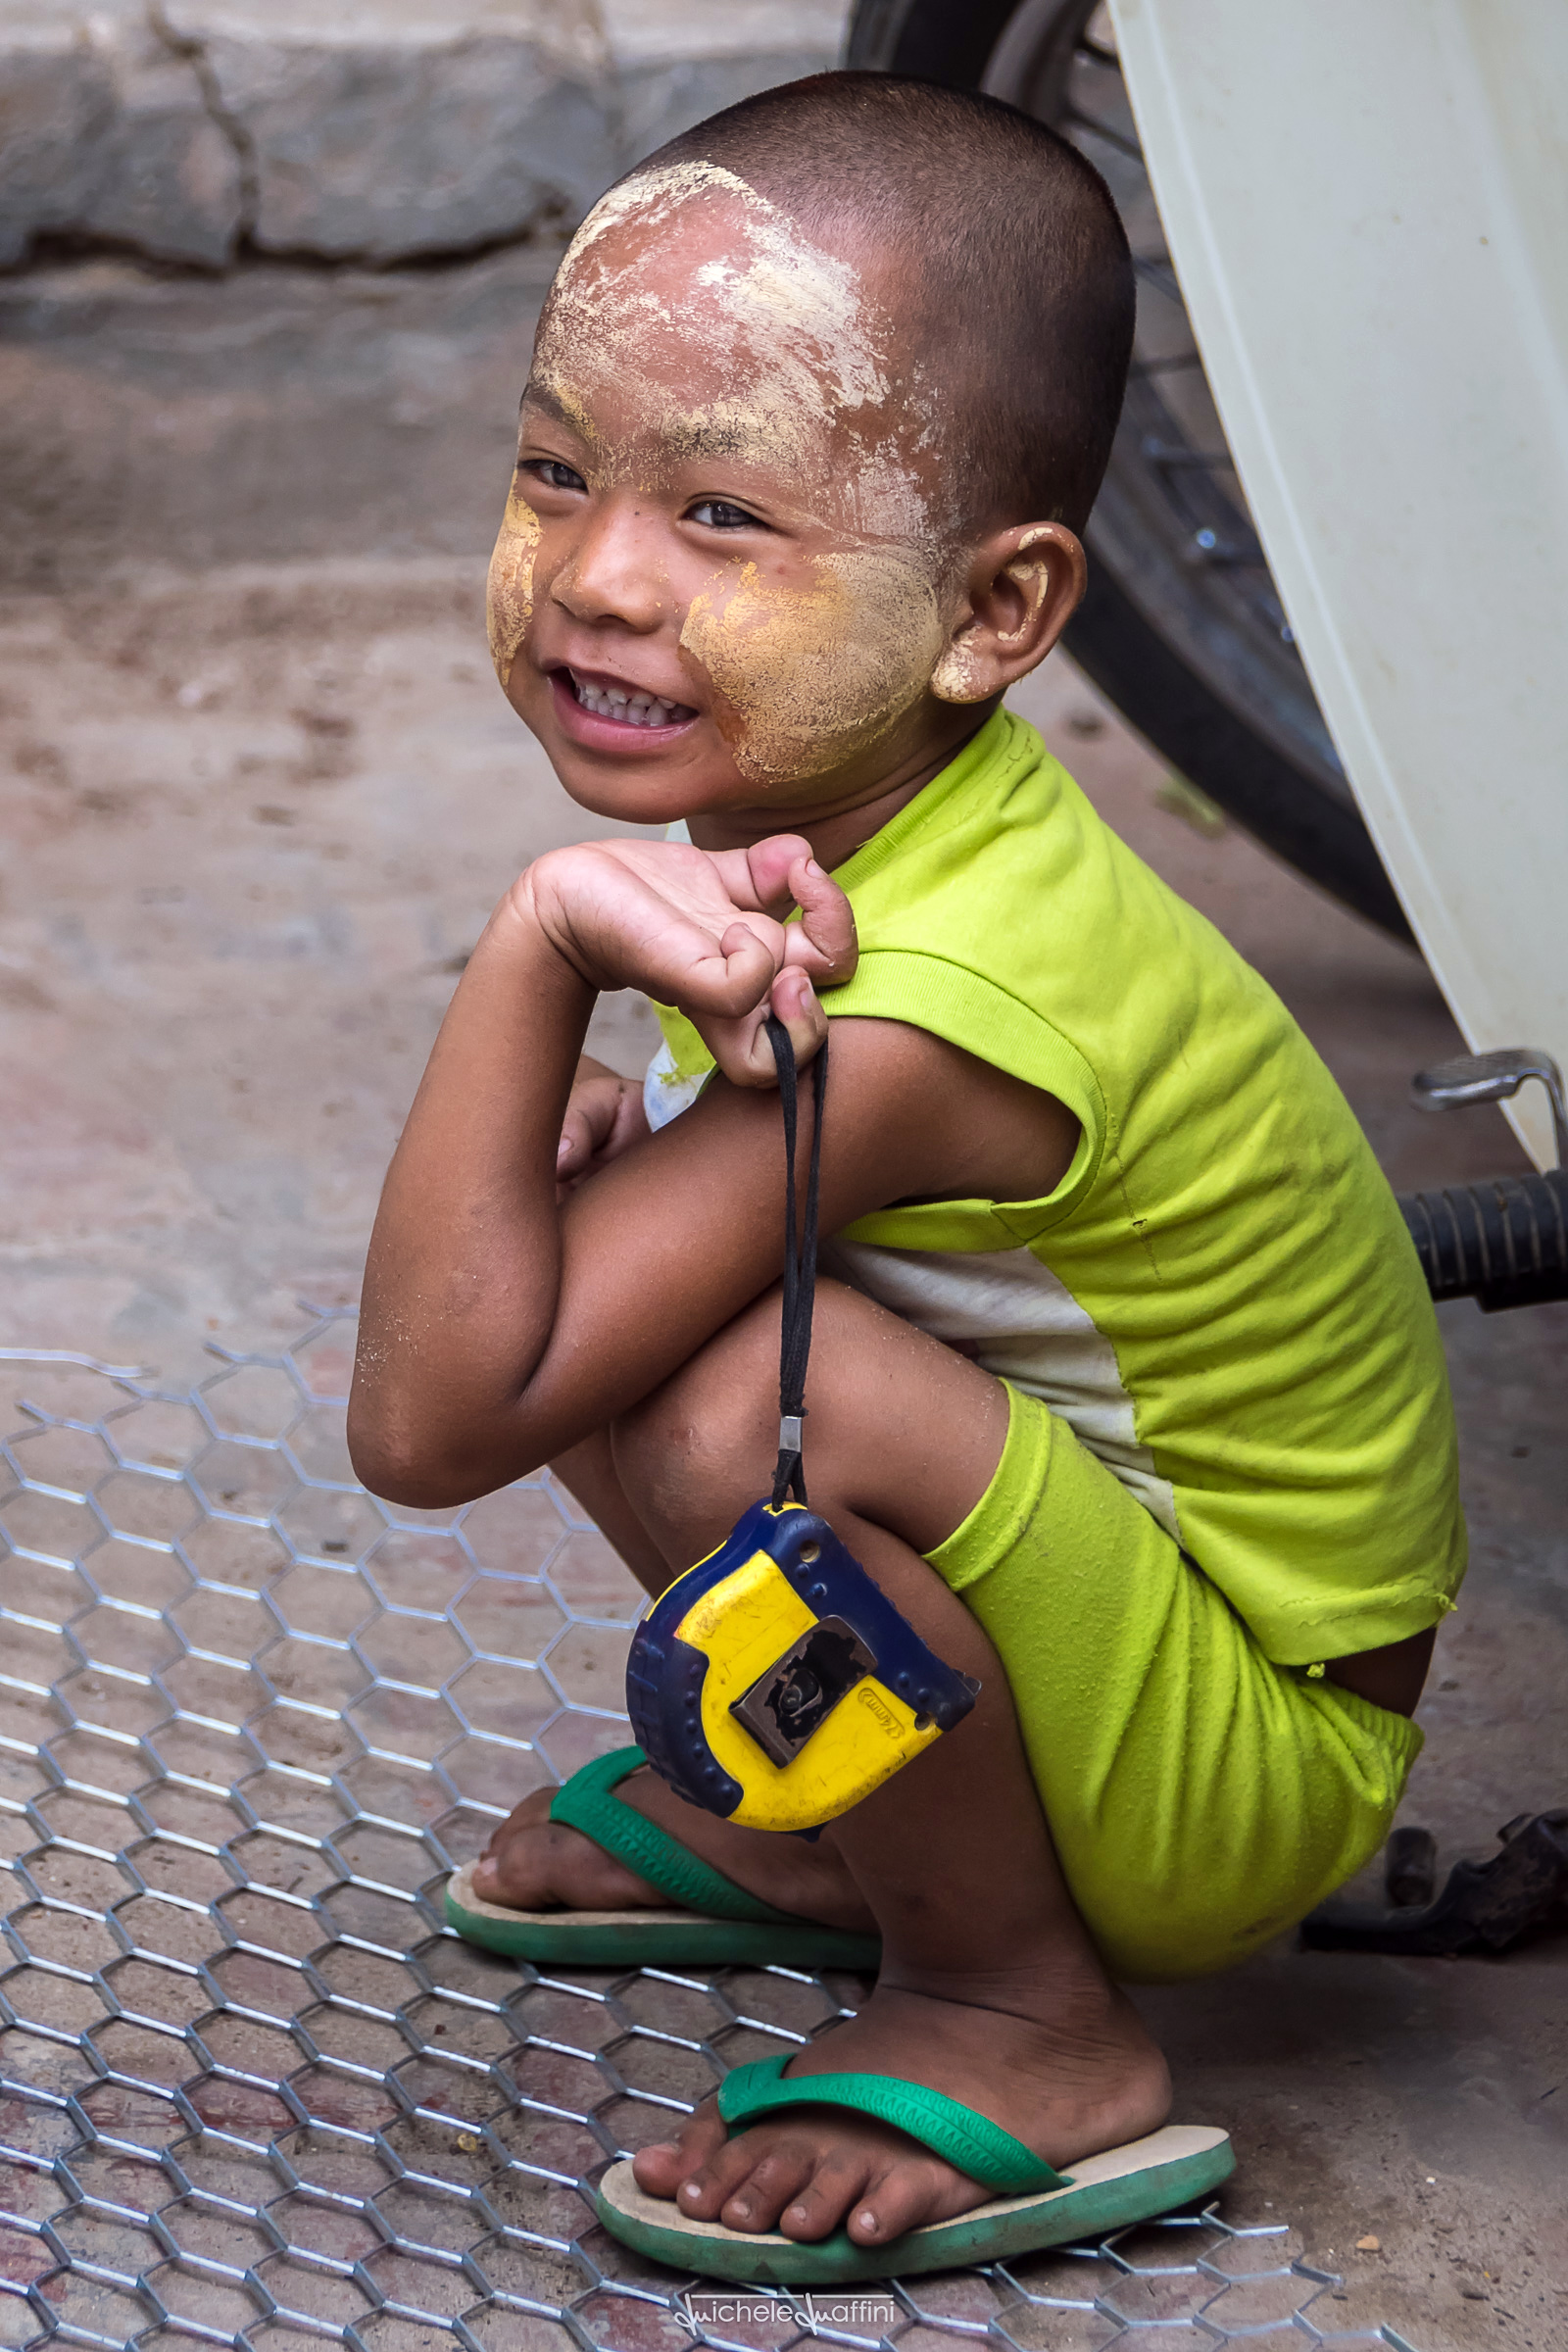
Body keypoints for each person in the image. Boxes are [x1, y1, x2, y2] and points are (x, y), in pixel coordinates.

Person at [348, 72, 1464, 2269]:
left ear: (993, 611)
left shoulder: (927, 1001)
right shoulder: (866, 814)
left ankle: (1016, 2002)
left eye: (725, 519)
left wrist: (541, 936)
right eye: (557, 468)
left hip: (1242, 1759)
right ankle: (834, 1844)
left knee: (666, 1361)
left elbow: (427, 1420)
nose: (595, 575)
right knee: (599, 1259)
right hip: (1131, 1630)